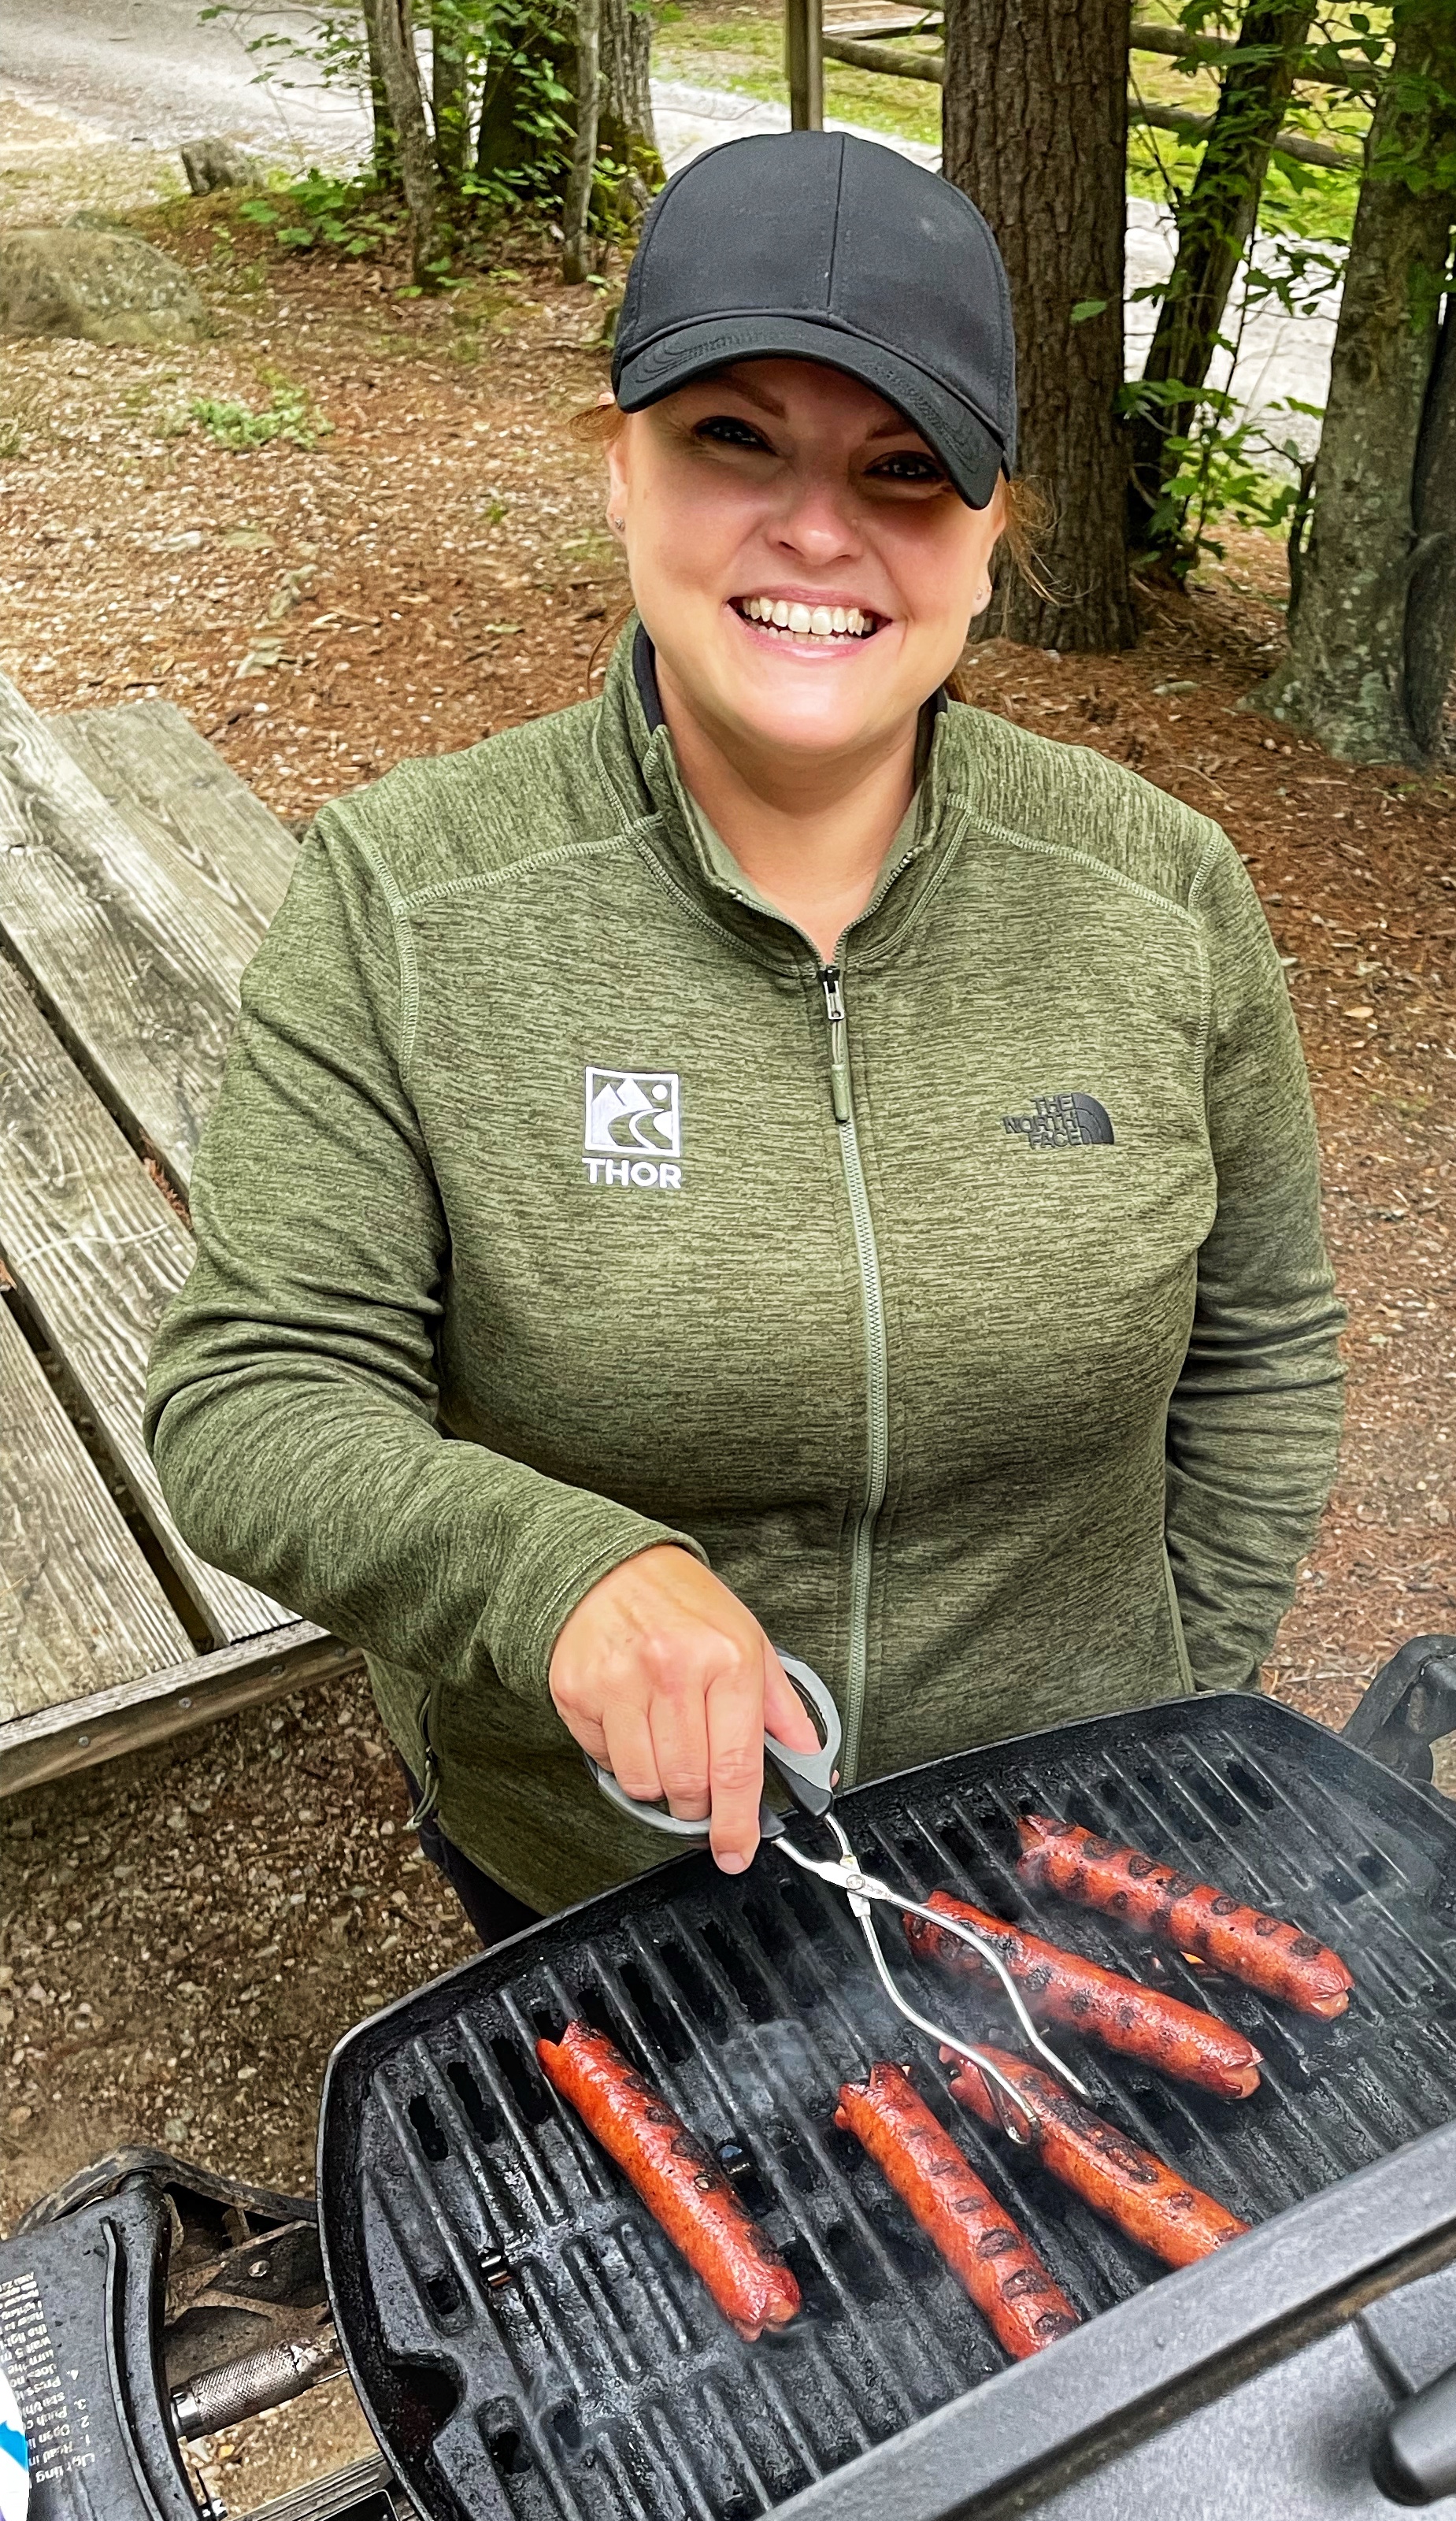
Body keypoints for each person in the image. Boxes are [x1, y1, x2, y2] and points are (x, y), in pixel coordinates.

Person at [146, 130, 1344, 1941]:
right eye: (733, 440)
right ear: (617, 471)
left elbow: (1265, 1342)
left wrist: (1169, 1684)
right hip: (605, 1880)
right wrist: (560, 1576)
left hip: (1067, 1845)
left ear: (995, 531)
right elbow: (252, 1395)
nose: (818, 531)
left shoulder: (1158, 892)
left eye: (904, 469)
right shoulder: (408, 893)